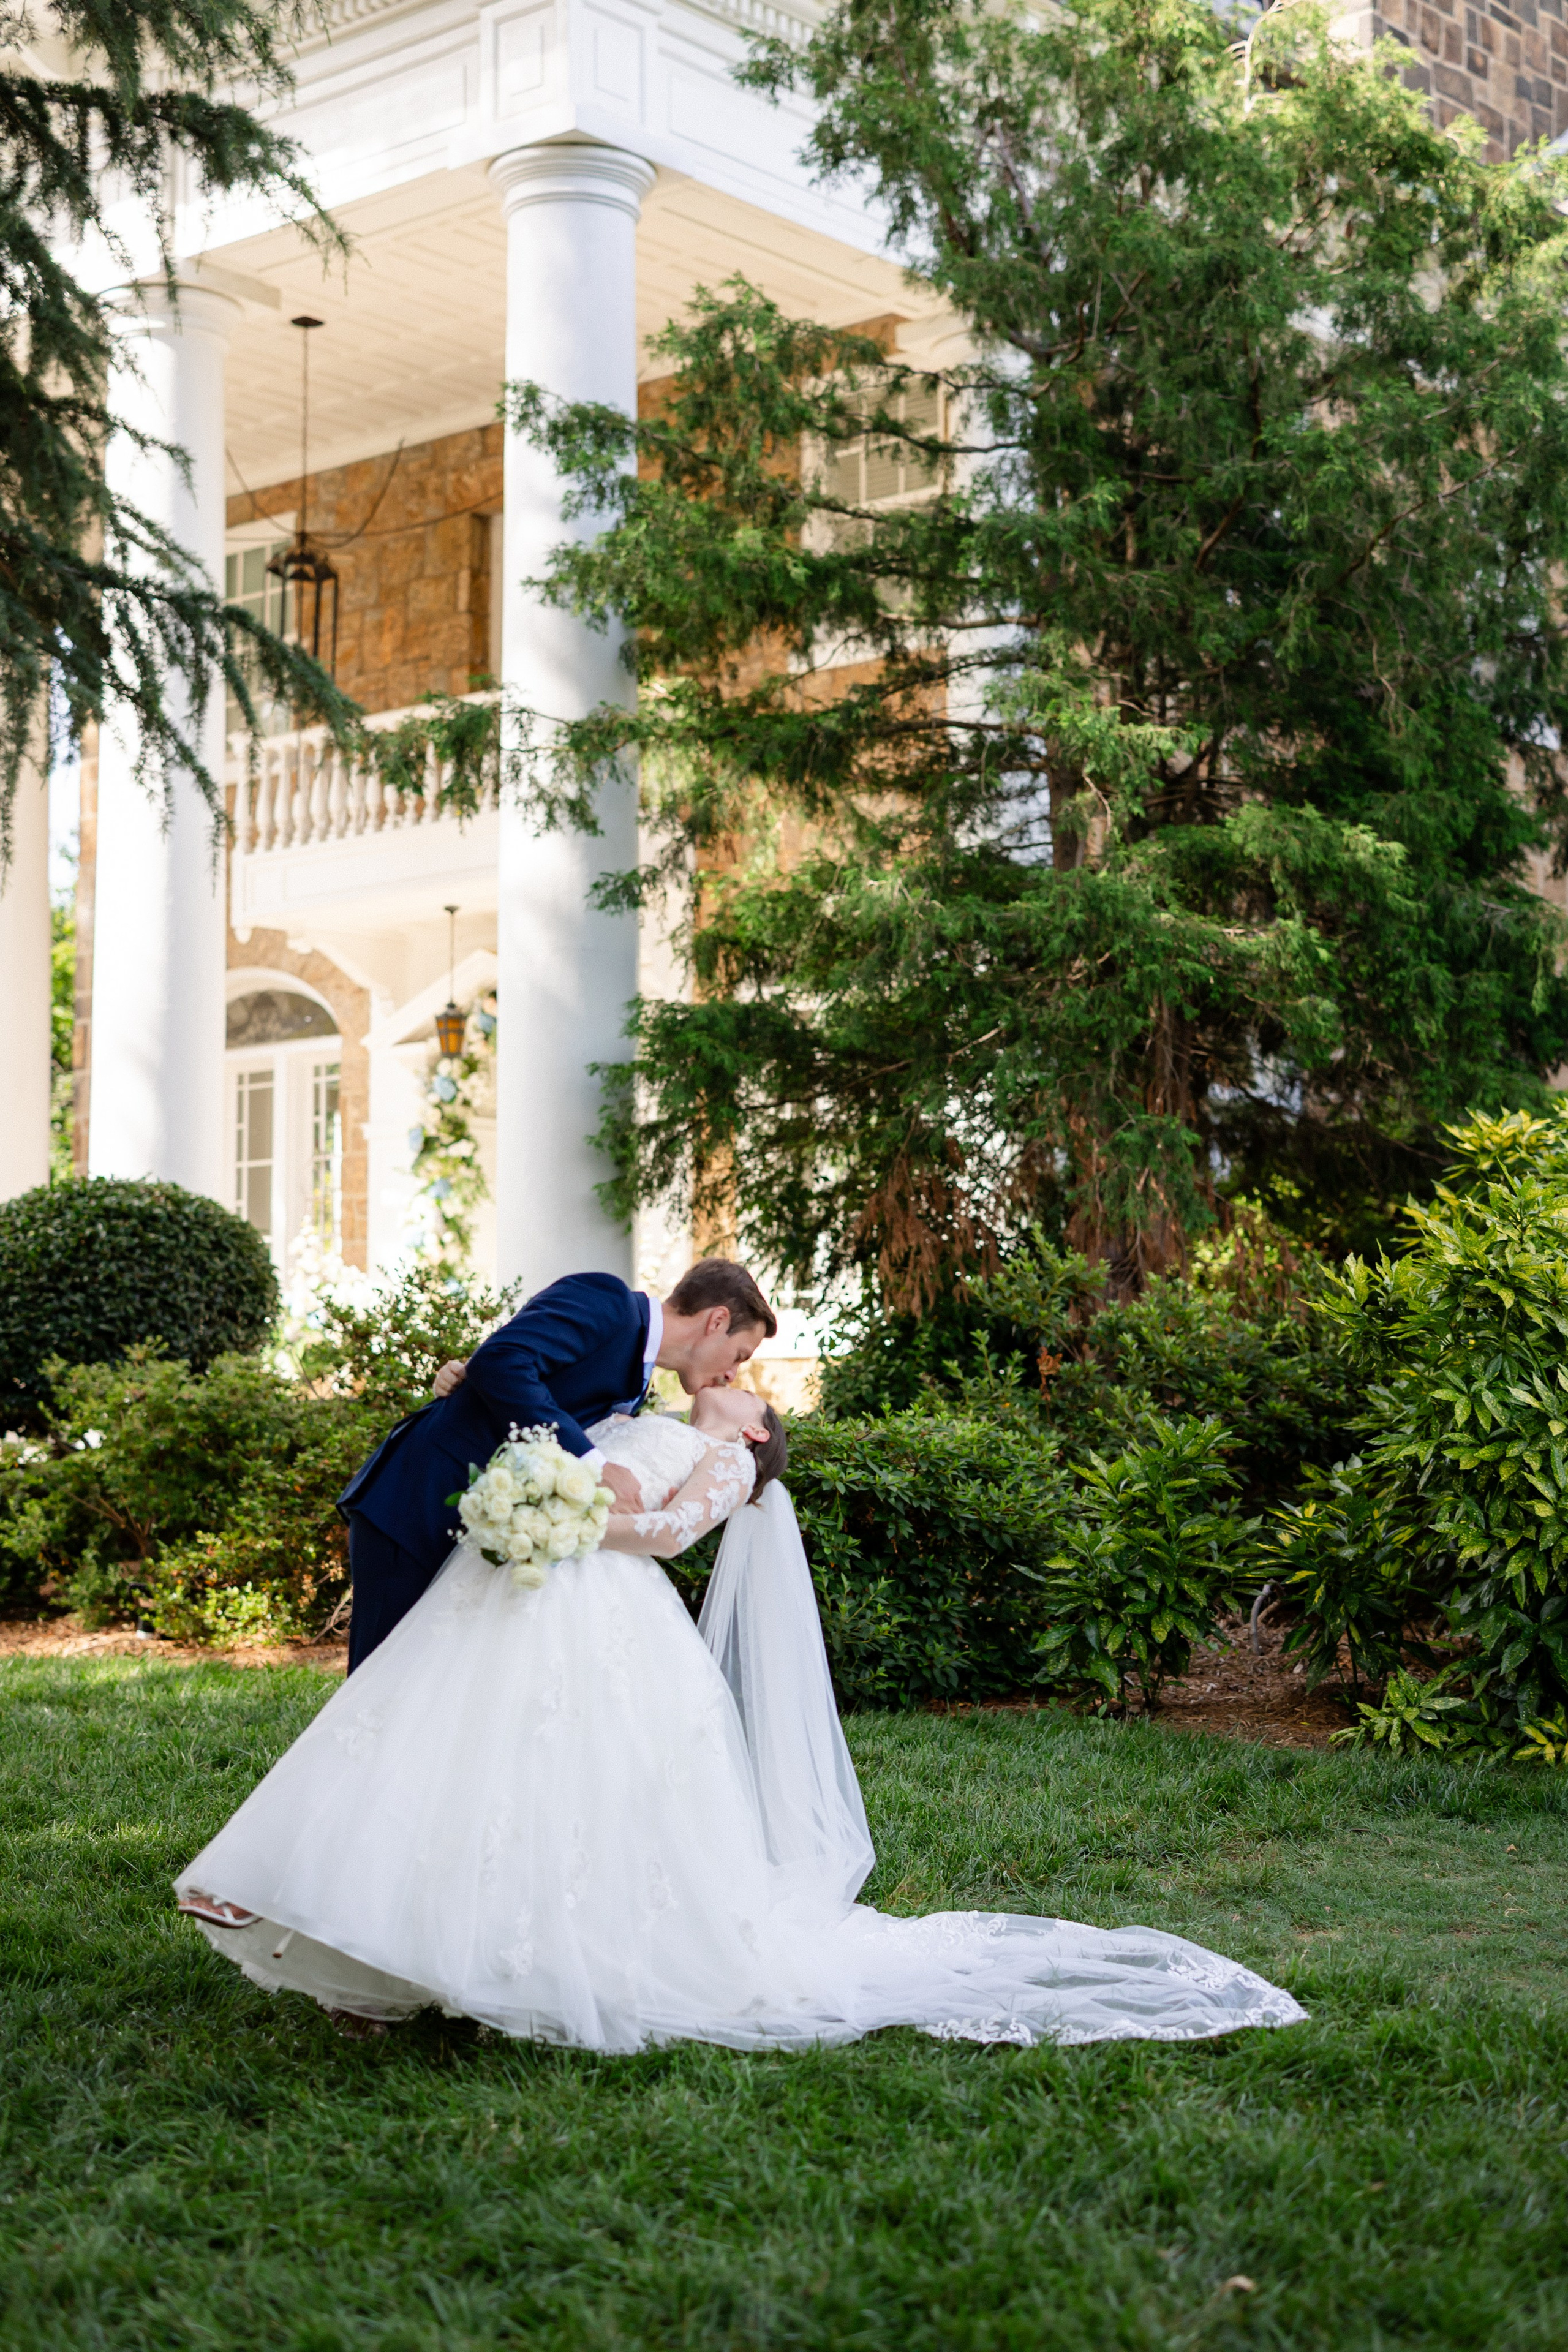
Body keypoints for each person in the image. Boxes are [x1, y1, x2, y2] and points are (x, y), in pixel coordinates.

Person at [176, 1371, 1305, 2054]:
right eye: (743, 1363)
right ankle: (371, 1940)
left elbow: (668, 1537)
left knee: (557, 1784)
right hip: (507, 1599)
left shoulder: (725, 1458)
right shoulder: (633, 1411)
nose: (744, 1375)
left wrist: (561, 1520)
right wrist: (532, 1483)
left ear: (758, 1434)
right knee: (440, 1754)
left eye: (758, 1389)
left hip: (591, 1606)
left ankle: (511, 1961)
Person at [336, 1257, 775, 1670]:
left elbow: (515, 1377)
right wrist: (593, 1462)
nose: (734, 1374)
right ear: (716, 1321)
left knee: (427, 1686)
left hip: (482, 1530)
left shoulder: (636, 1385)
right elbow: (503, 1360)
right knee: (378, 1679)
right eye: (740, 1355)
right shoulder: (609, 1300)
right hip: (418, 1504)